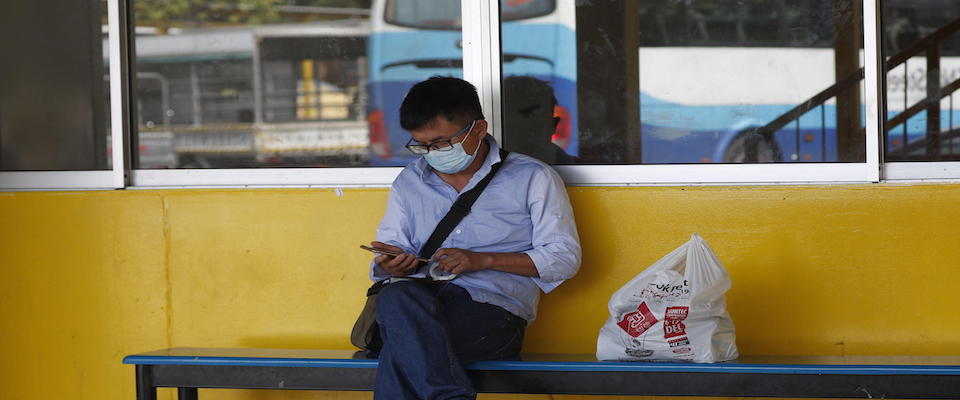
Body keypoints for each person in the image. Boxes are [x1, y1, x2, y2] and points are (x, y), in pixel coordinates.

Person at [367, 76, 581, 399]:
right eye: (421, 145)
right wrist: (393, 265)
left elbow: (564, 258)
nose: (431, 153)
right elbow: (389, 254)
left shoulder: (532, 178)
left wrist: (482, 260)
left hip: (492, 315)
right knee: (397, 298)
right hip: (416, 307)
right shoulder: (409, 182)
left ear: (478, 129)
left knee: (403, 351)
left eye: (440, 144)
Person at [501, 76, 579, 164]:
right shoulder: (572, 168)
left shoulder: (573, 169)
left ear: (554, 125)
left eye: (533, 129)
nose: (525, 139)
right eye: (515, 128)